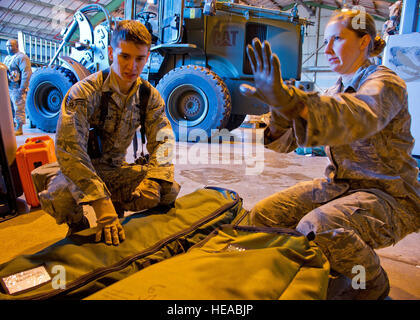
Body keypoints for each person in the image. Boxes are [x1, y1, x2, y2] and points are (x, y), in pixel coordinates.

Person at [240, 9, 420, 300]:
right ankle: (305, 272)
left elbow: (359, 115)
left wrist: (297, 103)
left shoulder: (384, 83)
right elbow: (286, 144)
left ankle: (369, 285)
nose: (327, 50)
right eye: (325, 41)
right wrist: (280, 109)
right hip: (341, 186)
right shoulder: (336, 88)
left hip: (392, 197)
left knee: (320, 226)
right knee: (264, 215)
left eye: (337, 39)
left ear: (364, 42)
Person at [32, 20, 180, 246]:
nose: (132, 66)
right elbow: (70, 152)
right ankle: (78, 224)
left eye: (140, 58)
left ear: (147, 57)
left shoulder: (148, 96)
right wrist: (101, 204)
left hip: (115, 169)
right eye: (125, 56)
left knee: (168, 190)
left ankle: (120, 209)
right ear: (111, 52)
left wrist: (155, 178)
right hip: (80, 169)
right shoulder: (84, 93)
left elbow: (164, 139)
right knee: (59, 198)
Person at [3, 39, 32, 136]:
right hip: (8, 87)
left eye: (10, 46)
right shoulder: (7, 58)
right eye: (7, 46)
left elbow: (26, 73)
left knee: (18, 108)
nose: (8, 48)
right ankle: (12, 125)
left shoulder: (22, 57)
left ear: (16, 46)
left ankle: (19, 127)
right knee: (9, 108)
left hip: (17, 87)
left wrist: (23, 87)